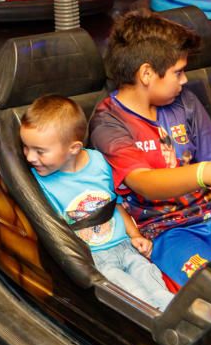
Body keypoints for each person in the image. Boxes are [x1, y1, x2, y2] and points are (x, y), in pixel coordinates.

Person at [89, 9, 211, 286]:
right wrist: (204, 173)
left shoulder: (185, 102)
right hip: (166, 232)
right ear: (146, 73)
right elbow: (143, 182)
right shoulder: (108, 121)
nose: (184, 80)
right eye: (178, 72)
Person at [21, 95, 174, 310]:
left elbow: (114, 204)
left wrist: (135, 235)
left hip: (125, 246)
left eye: (39, 151)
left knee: (155, 284)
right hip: (96, 259)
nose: (29, 158)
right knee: (137, 296)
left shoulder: (100, 163)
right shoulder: (40, 182)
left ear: (74, 148)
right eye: (26, 148)